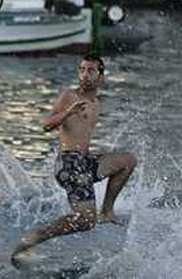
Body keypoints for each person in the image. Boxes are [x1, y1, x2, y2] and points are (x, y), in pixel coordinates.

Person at [11, 55, 137, 267]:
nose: (84, 75)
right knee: (86, 220)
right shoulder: (69, 96)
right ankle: (32, 239)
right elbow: (46, 125)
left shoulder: (96, 103)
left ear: (100, 77)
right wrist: (68, 113)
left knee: (127, 161)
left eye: (90, 70)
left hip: (84, 162)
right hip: (69, 164)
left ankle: (107, 211)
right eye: (81, 70)